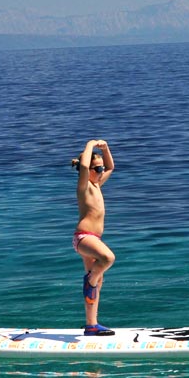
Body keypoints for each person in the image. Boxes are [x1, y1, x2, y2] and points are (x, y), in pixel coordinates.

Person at [72, 139, 116, 336]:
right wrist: (90, 144)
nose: (101, 172)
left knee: (99, 282)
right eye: (97, 169)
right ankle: (90, 280)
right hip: (83, 237)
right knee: (108, 258)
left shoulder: (97, 185)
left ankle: (91, 325)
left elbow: (112, 167)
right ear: (88, 170)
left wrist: (105, 149)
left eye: (101, 169)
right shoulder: (84, 187)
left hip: (94, 239)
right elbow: (83, 165)